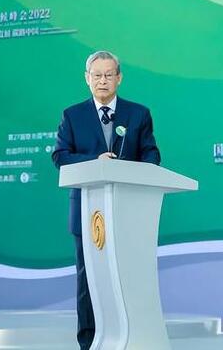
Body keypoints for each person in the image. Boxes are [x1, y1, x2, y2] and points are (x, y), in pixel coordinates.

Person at [52, 50, 161, 349]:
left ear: (119, 78)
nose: (103, 80)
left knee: (128, 278)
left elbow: (151, 153)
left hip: (129, 212)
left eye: (108, 75)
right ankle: (89, 343)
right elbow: (60, 156)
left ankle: (133, 339)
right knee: (89, 281)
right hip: (87, 214)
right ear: (87, 78)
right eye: (97, 75)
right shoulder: (72, 115)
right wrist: (95, 162)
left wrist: (137, 170)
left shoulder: (138, 114)